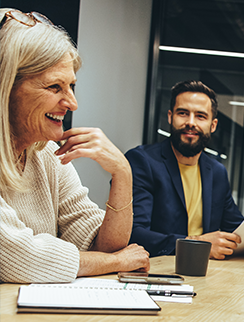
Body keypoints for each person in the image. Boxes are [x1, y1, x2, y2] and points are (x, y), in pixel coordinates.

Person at [0, 8, 150, 283]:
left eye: (71, 86)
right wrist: (115, 262)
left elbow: (99, 245)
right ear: (7, 87)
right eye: (55, 87)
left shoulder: (46, 153)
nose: (72, 103)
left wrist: (122, 173)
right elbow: (17, 257)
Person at [126, 80, 244, 259]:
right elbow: (134, 233)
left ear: (213, 125)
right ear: (170, 117)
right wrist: (197, 245)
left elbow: (236, 228)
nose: (190, 122)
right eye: (183, 113)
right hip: (159, 270)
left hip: (206, 271)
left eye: (200, 116)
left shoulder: (217, 172)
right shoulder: (142, 161)